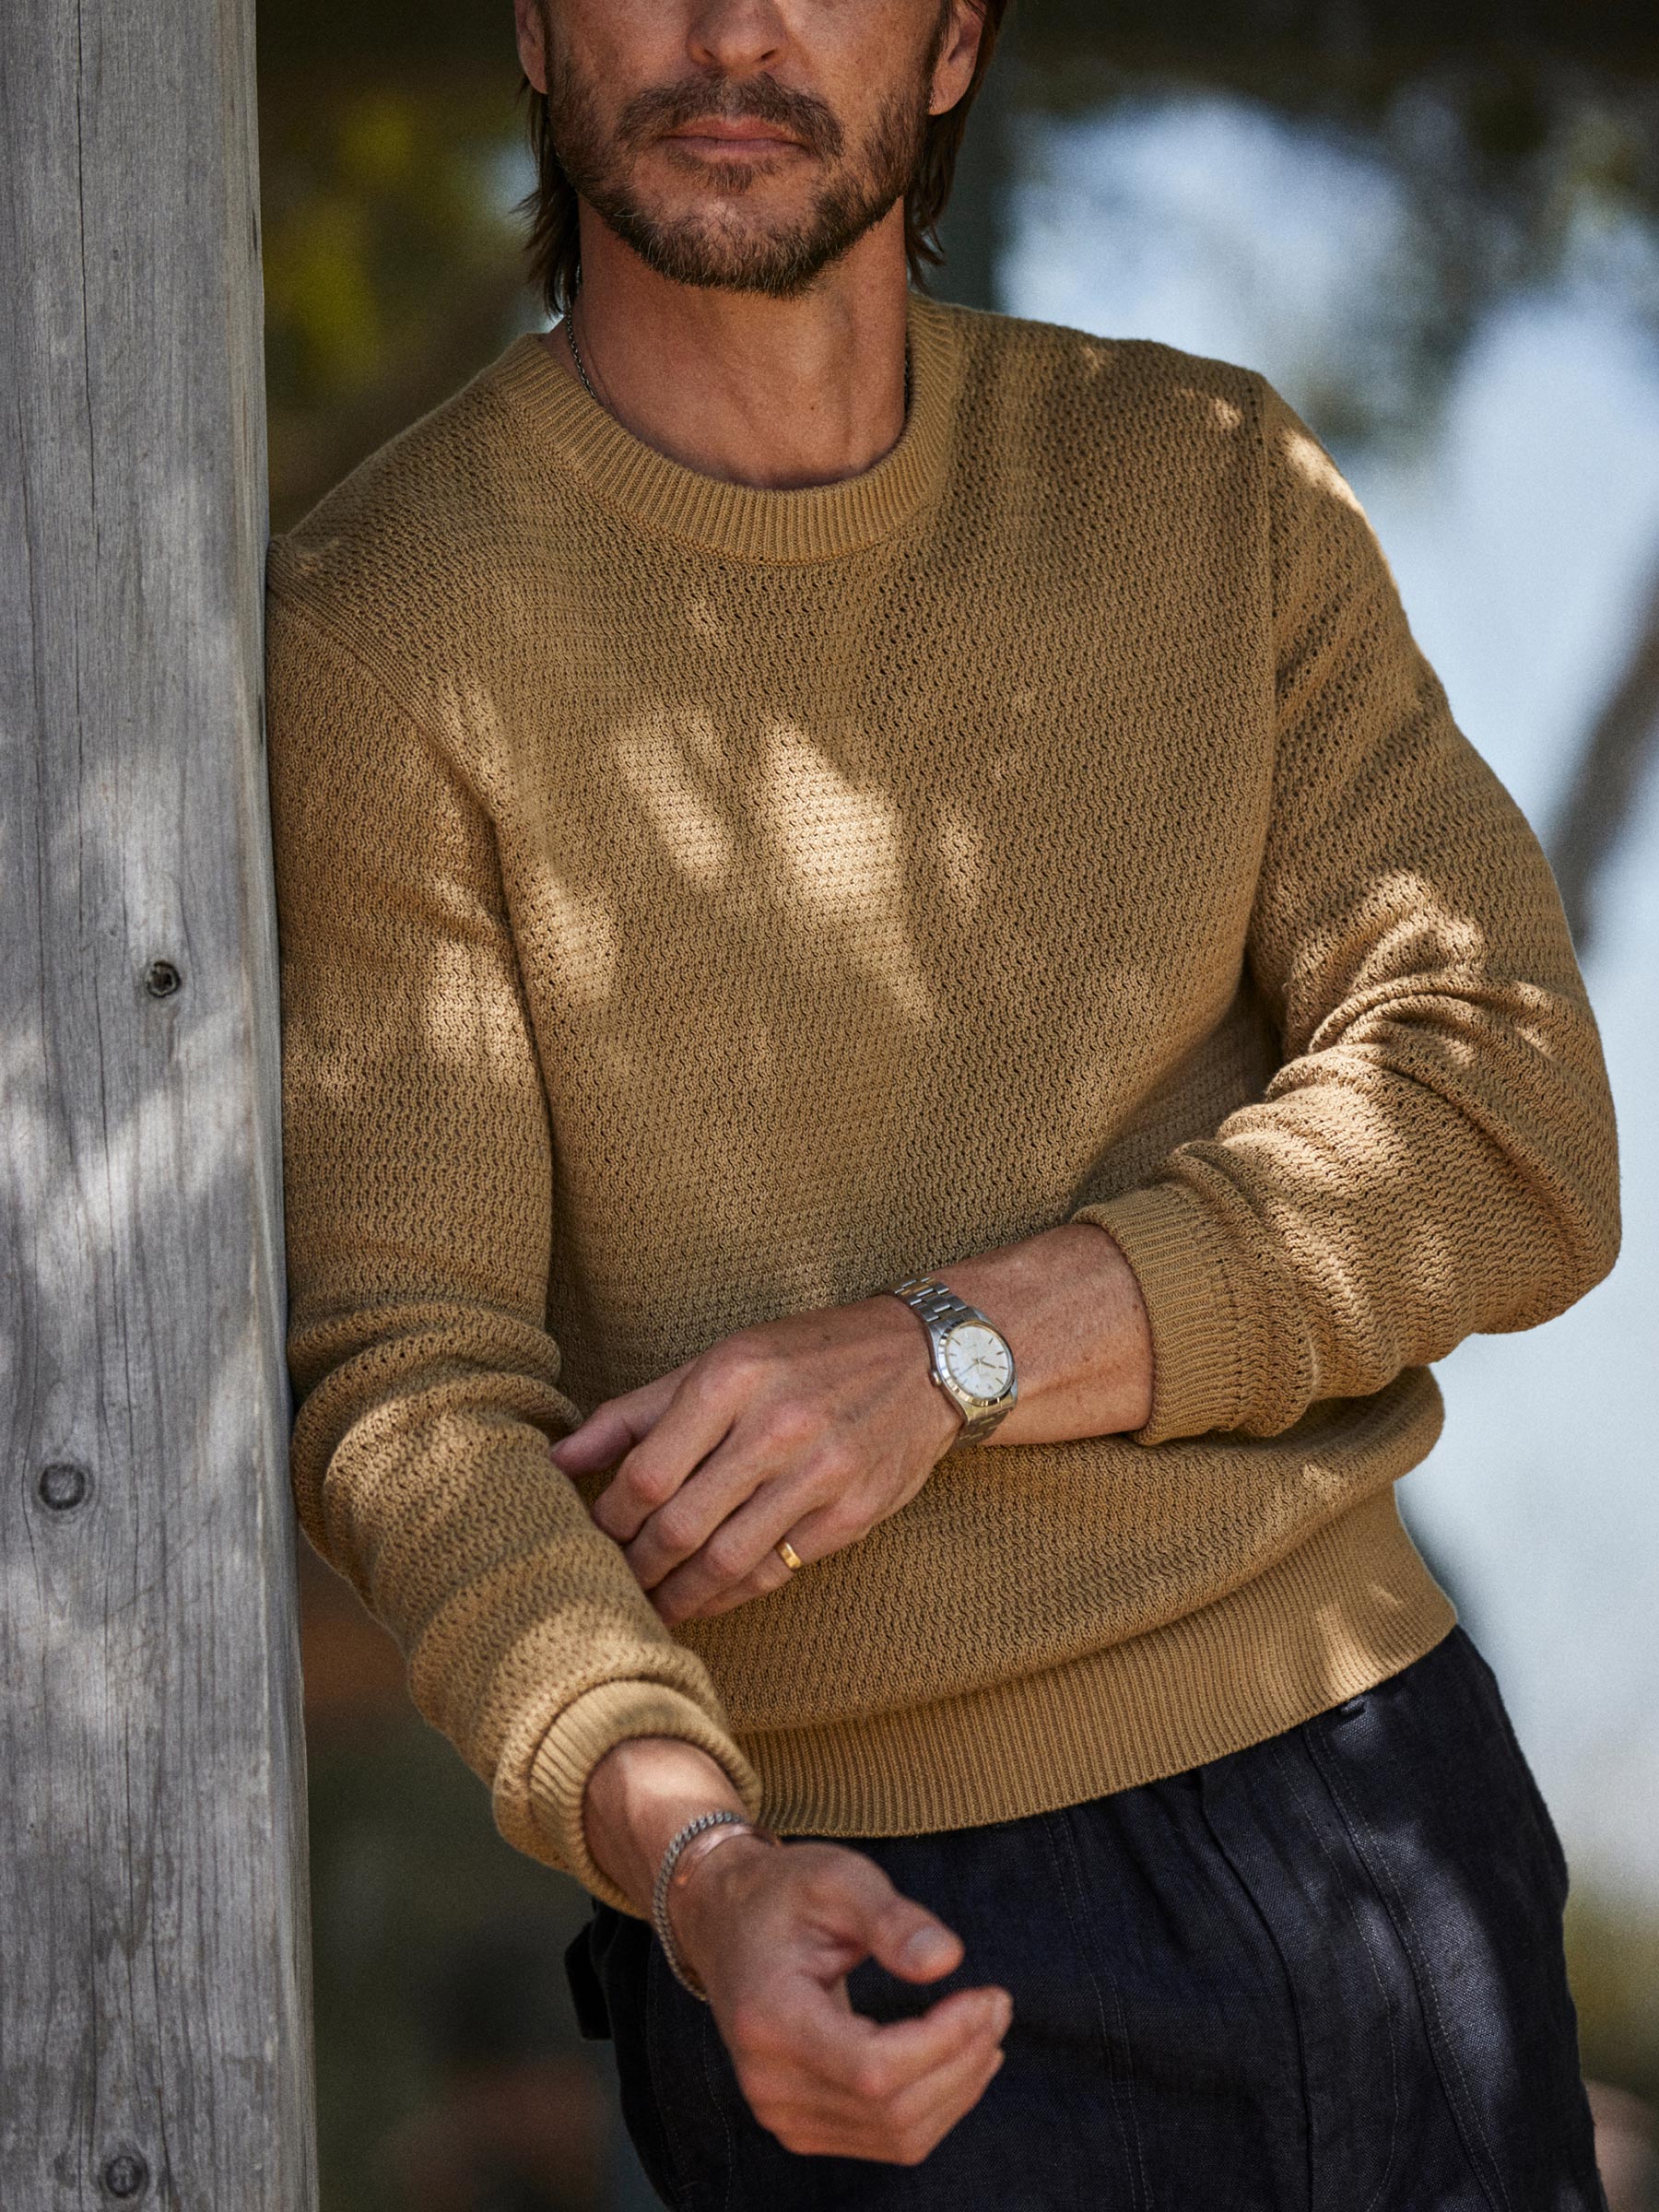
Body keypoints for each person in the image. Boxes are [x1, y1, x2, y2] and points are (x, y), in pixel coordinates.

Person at [264, 2, 1623, 2203]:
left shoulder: (1210, 484)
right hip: (847, 1926)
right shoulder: (386, 625)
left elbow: (1508, 1116)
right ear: (530, 16)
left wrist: (948, 1355)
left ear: (960, 33)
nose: (733, 32)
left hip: (1384, 1813)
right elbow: (410, 1386)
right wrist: (696, 1863)